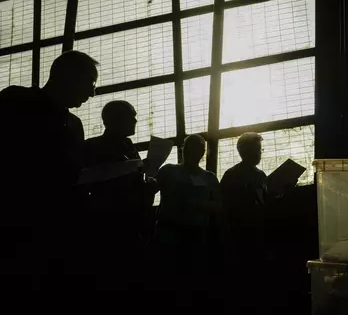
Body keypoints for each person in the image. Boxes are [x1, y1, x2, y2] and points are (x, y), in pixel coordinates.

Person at [0, 50, 98, 286]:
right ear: (70, 78)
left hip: (54, 230)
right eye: (90, 83)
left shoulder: (17, 102)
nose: (92, 93)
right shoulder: (17, 102)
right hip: (21, 227)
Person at [83, 100, 157, 283]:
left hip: (130, 225)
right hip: (110, 228)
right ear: (117, 119)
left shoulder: (124, 146)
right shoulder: (95, 147)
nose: (136, 121)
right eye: (131, 117)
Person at [156, 134, 220, 278]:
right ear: (183, 150)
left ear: (203, 152)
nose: (192, 153)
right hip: (170, 233)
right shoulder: (168, 171)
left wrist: (199, 205)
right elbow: (150, 190)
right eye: (189, 148)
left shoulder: (209, 177)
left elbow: (219, 205)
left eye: (197, 149)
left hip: (196, 235)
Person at [220, 132, 268, 260]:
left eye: (260, 149)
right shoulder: (232, 176)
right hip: (241, 234)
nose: (260, 153)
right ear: (246, 151)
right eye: (258, 149)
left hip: (258, 232)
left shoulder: (260, 175)